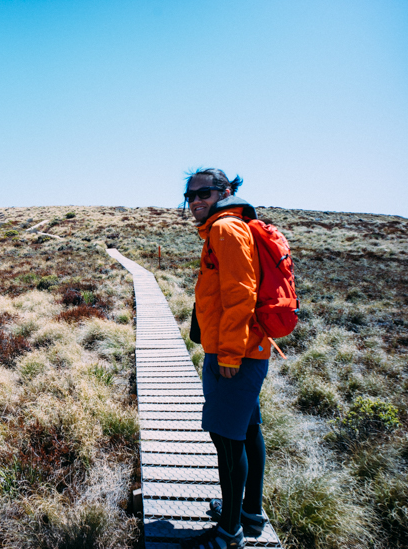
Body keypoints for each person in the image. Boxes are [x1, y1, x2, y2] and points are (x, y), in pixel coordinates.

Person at [180, 168, 270, 549]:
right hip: (247, 350)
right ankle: (248, 512)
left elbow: (240, 294)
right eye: (191, 195)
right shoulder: (228, 225)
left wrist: (229, 354)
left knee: (228, 441)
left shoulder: (225, 229)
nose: (196, 200)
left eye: (205, 192)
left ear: (226, 191)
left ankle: (229, 535)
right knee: (248, 430)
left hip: (235, 355)